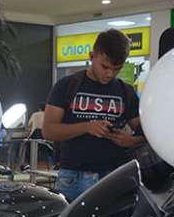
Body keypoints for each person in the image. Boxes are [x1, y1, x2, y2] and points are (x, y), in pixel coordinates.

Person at [43, 29, 144, 201]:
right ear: (92, 55)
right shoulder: (66, 86)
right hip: (73, 176)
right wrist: (87, 127)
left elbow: (145, 131)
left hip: (115, 175)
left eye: (116, 68)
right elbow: (48, 131)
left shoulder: (126, 92)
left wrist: (133, 141)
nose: (109, 74)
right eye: (105, 66)